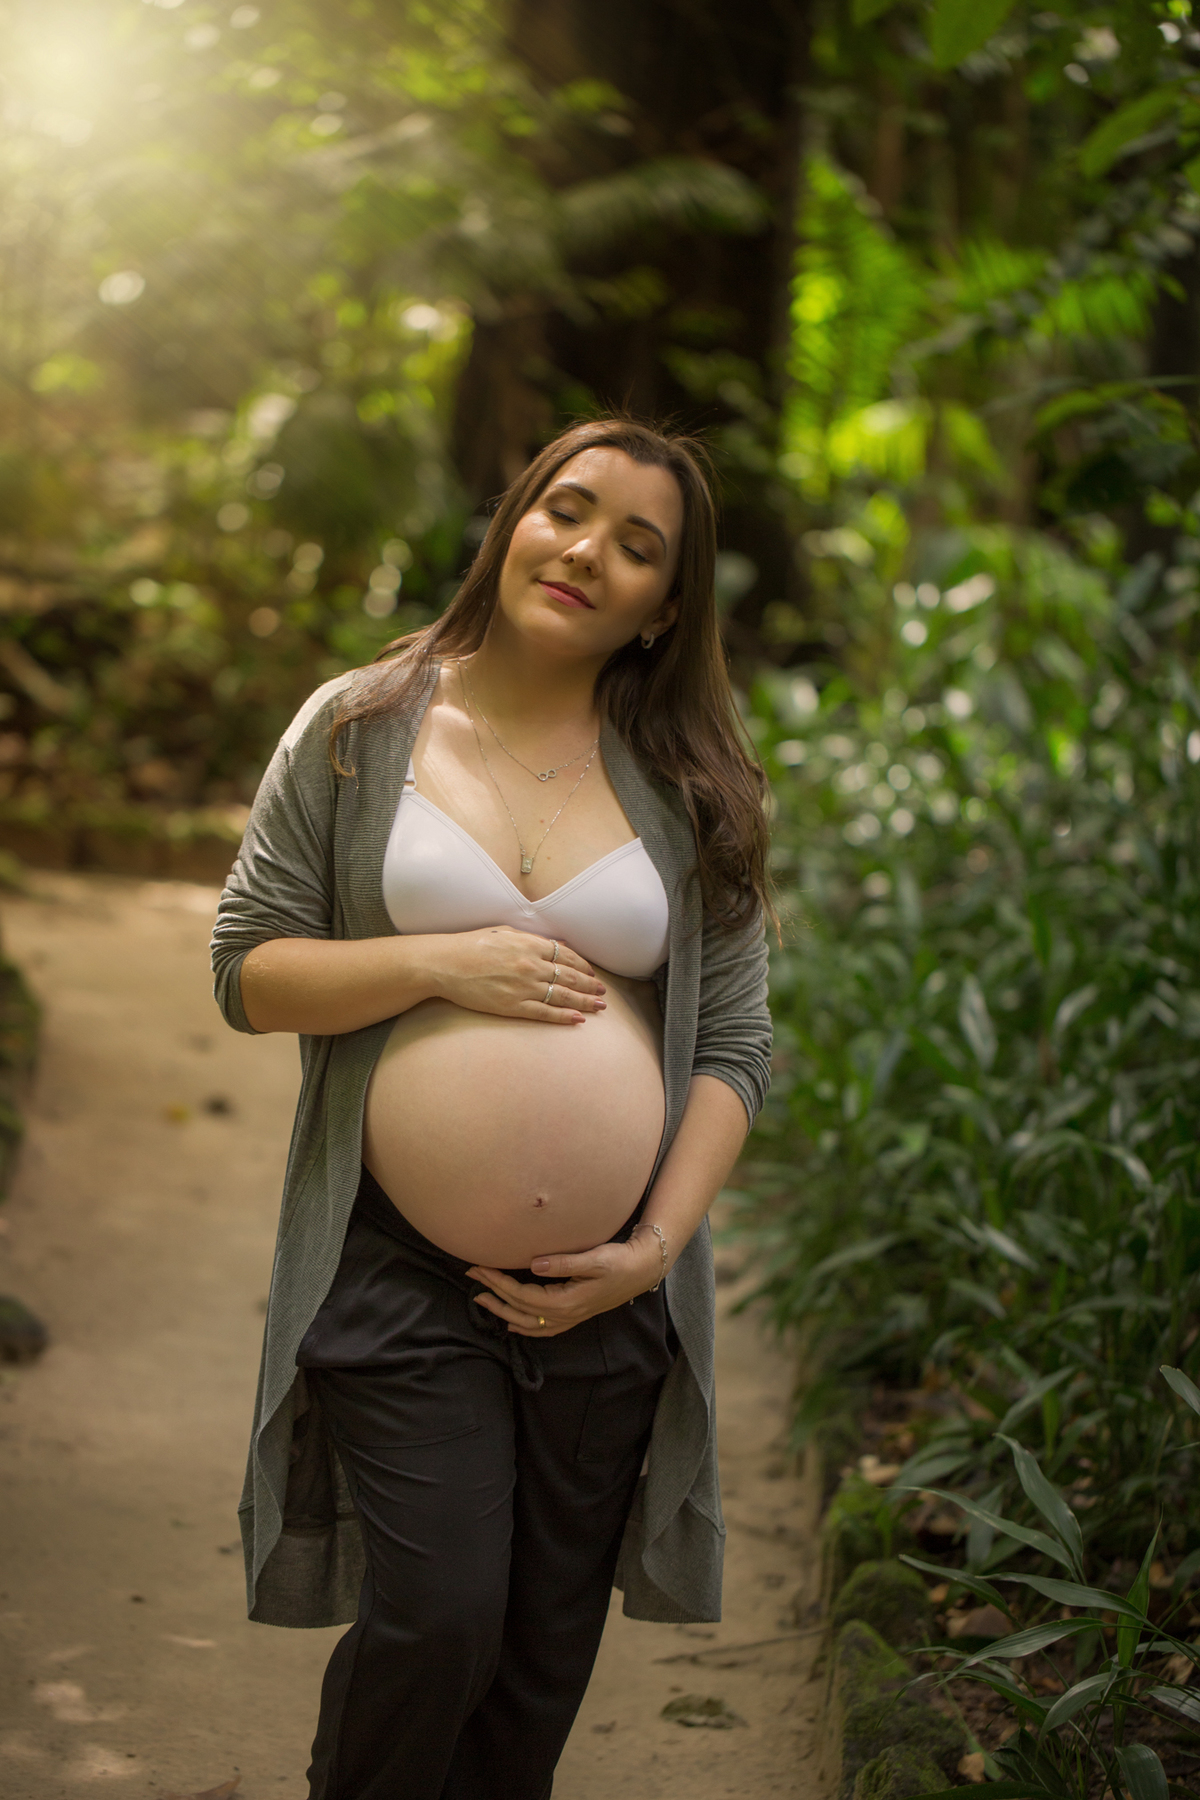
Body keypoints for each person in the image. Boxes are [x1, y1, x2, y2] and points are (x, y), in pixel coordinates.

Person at [210, 415, 773, 1800]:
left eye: (638, 545)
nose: (588, 551)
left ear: (666, 605)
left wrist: (645, 1257)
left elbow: (736, 1054)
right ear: (514, 518)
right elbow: (248, 972)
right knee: (441, 1611)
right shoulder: (362, 728)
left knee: (534, 1664)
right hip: (401, 1268)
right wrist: (436, 961)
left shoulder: (695, 786)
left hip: (605, 1298)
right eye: (567, 510)